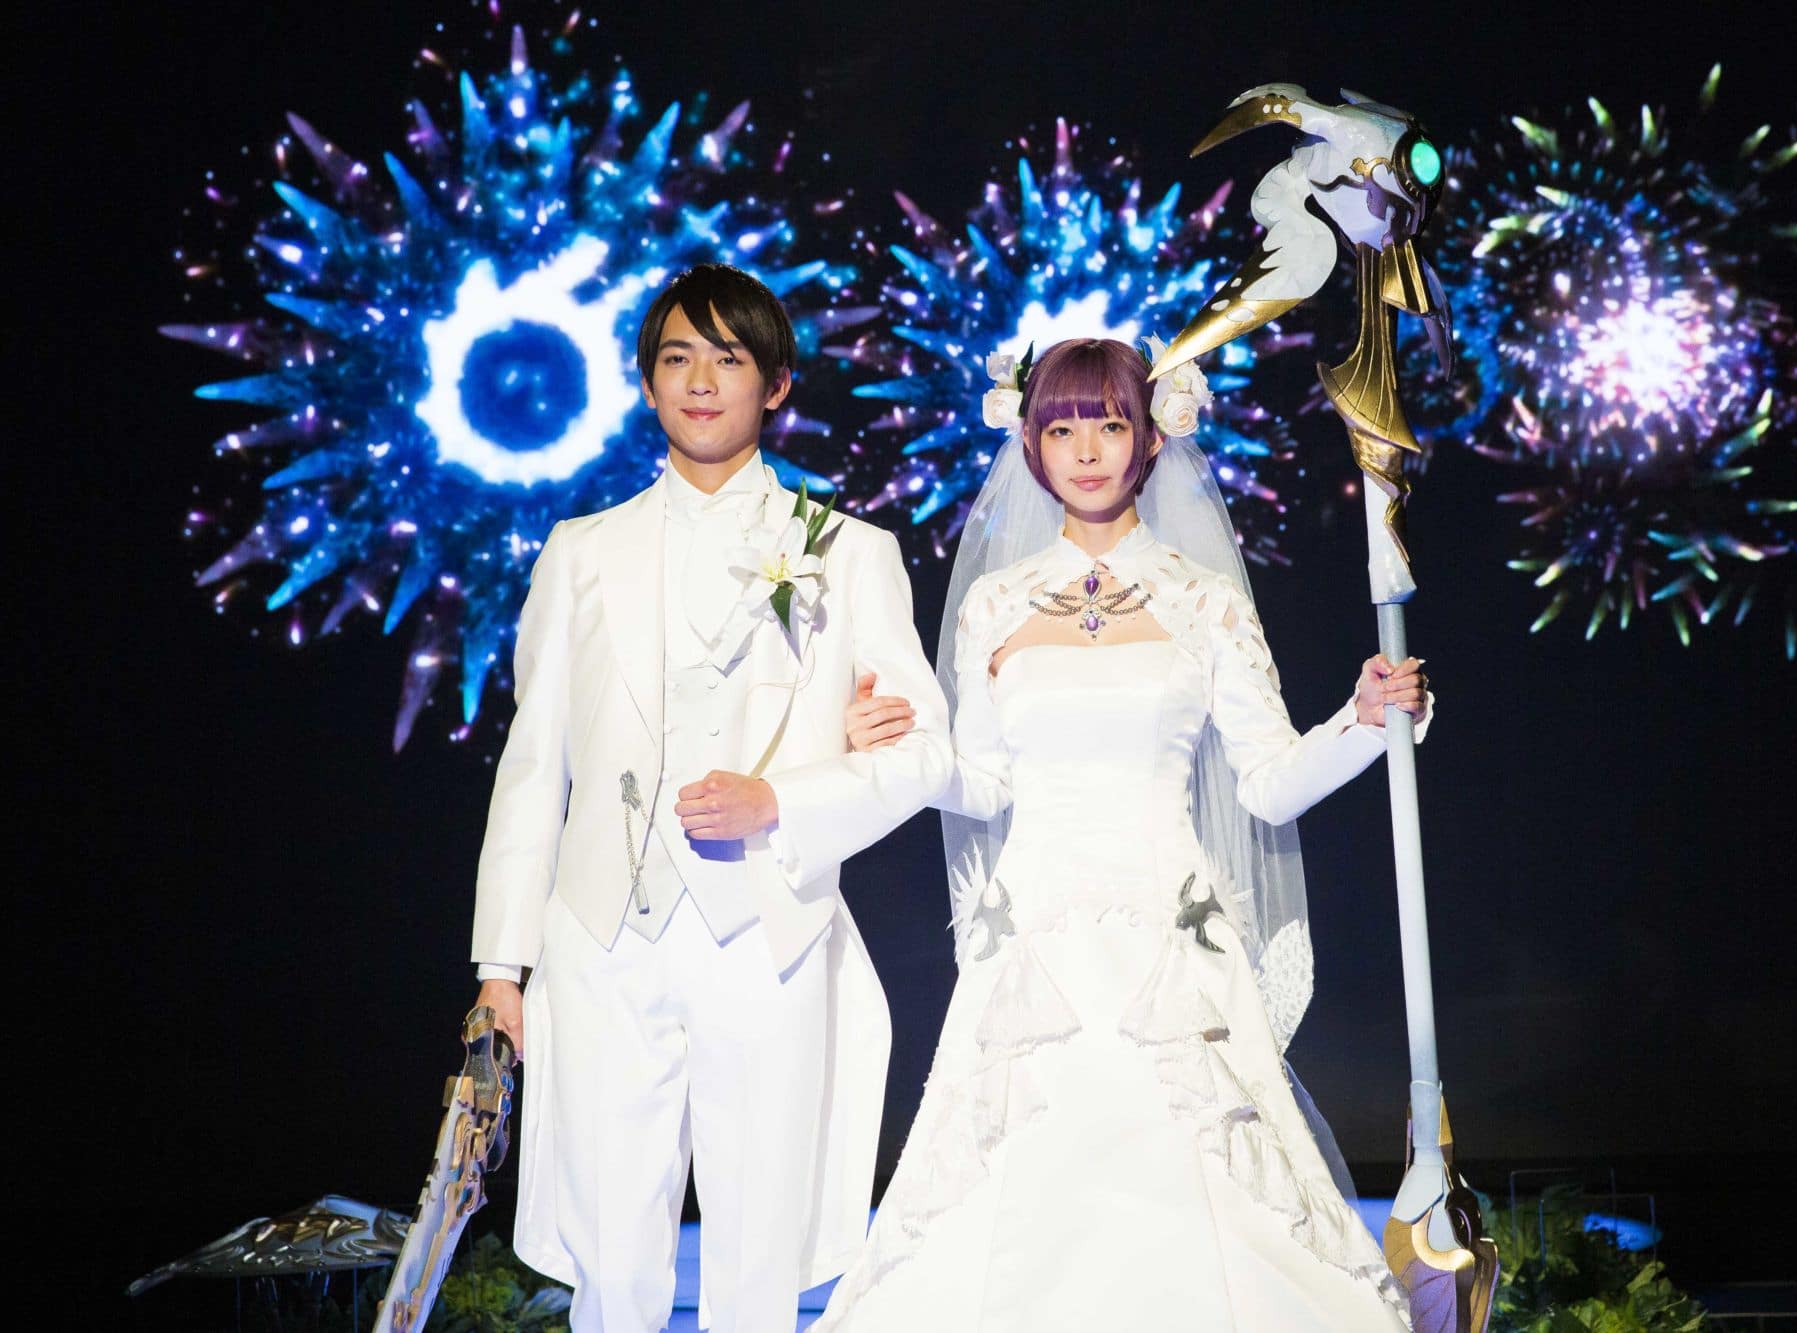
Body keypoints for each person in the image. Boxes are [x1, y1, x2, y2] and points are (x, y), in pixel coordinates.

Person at [816, 337, 1429, 1330]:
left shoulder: (1204, 600)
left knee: (1210, 1182)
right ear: (1029, 442)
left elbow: (1270, 784)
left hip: (1170, 934)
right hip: (1033, 940)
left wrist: (1363, 722)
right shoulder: (993, 605)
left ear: (1151, 437)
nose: (1087, 449)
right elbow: (978, 782)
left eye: (1109, 423)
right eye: (1062, 428)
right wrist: (893, 748)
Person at [468, 264, 954, 1333]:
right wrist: (502, 963)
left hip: (766, 928)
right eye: (677, 358)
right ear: (647, 382)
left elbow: (925, 755)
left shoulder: (849, 553)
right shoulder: (580, 553)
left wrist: (779, 799)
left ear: (775, 384)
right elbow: (533, 763)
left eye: (727, 359)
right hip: (602, 931)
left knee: (757, 1241)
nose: (699, 382)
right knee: (610, 1244)